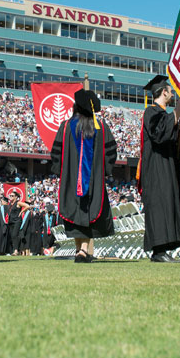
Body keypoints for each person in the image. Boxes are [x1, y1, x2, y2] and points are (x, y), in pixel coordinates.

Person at [51, 89, 117, 263]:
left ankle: (80, 249)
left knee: (75, 211)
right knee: (88, 211)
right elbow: (111, 153)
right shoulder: (100, 127)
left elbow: (55, 154)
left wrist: (62, 173)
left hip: (71, 180)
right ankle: (83, 250)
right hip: (93, 180)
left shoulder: (66, 126)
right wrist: (104, 172)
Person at [137, 75, 180, 263]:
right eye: (170, 90)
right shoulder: (150, 112)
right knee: (160, 206)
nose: (172, 93)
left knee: (169, 204)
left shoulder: (165, 116)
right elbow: (160, 134)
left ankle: (165, 248)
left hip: (169, 167)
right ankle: (158, 251)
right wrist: (177, 112)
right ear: (163, 92)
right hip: (156, 168)